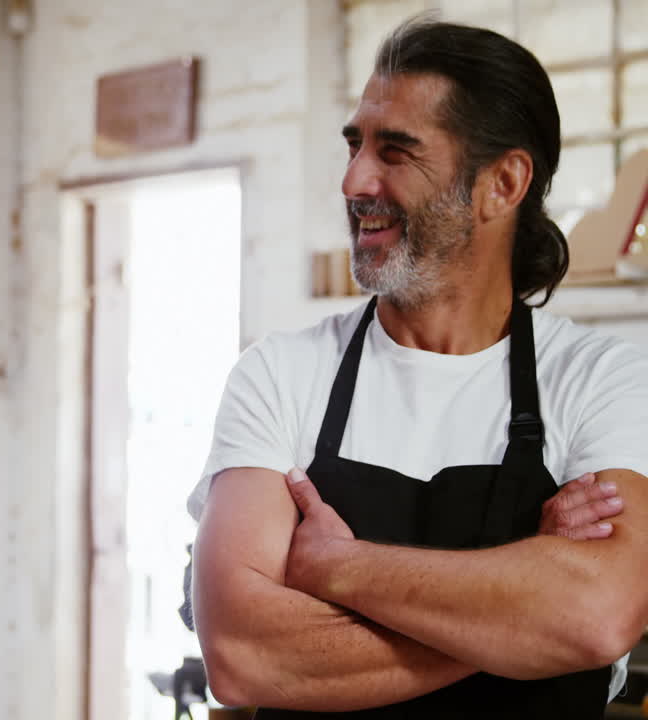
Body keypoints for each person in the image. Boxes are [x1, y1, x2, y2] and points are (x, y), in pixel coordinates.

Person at [188, 17, 648, 719]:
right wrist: (524, 603)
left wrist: (339, 568)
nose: (353, 180)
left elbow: (598, 616)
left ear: (503, 183)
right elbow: (243, 656)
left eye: (395, 152)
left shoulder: (602, 380)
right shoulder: (280, 375)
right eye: (355, 145)